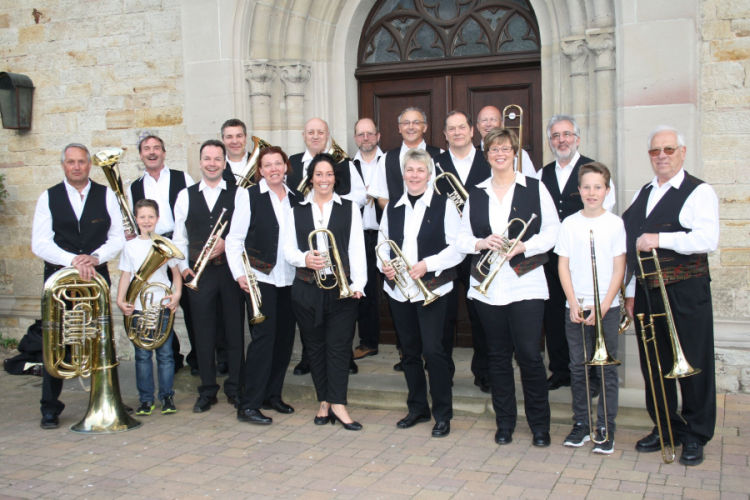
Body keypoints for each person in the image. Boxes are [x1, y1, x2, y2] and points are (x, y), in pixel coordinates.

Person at [456, 128, 559, 447]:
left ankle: (540, 426)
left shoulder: (535, 187)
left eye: (505, 148)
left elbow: (553, 230)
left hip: (525, 283)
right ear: (486, 155)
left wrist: (525, 245)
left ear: (515, 152)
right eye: (493, 149)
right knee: (498, 357)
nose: (499, 153)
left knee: (529, 355)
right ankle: (505, 423)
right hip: (488, 287)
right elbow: (460, 238)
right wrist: (480, 242)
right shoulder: (477, 192)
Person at [623, 126, 719, 467]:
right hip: (648, 292)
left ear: (682, 152)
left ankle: (696, 434)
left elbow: (708, 239)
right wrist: (630, 292)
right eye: (655, 151)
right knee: (655, 364)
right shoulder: (644, 191)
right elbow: (633, 246)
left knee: (692, 364)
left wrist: (661, 239)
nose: (661, 156)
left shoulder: (699, 191)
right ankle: (666, 427)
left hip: (685, 291)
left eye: (668, 149)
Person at [31, 143, 125, 429]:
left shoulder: (106, 195)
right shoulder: (48, 197)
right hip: (60, 281)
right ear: (63, 165)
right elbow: (40, 243)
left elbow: (118, 237)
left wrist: (95, 257)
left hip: (95, 276)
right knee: (57, 339)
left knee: (100, 336)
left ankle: (107, 399)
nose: (76, 166)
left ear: (89, 165)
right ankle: (50, 407)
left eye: (81, 162)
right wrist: (73, 261)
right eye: (71, 162)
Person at [378, 148, 463, 438]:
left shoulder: (444, 204)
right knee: (409, 352)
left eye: (420, 170)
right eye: (410, 170)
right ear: (403, 174)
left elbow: (457, 248)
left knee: (434, 351)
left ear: (429, 174)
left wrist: (429, 264)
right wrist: (385, 266)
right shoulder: (393, 206)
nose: (414, 175)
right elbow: (382, 244)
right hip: (400, 291)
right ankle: (417, 408)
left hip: (433, 288)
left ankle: (443, 413)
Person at [283, 153, 367, 430]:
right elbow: (288, 250)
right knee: (315, 348)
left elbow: (357, 248)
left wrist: (358, 285)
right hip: (307, 289)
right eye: (318, 174)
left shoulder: (349, 208)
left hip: (341, 289)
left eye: (329, 174)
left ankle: (339, 404)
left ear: (335, 178)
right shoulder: (296, 211)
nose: (324, 179)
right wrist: (304, 259)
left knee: (339, 348)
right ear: (310, 178)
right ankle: (324, 402)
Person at [538, 115, 615, 391]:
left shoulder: (595, 171)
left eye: (567, 134)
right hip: (552, 258)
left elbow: (606, 213)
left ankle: (592, 375)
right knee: (554, 315)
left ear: (577, 139)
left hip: (584, 258)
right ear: (550, 141)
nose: (562, 140)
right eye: (556, 136)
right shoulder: (541, 174)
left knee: (587, 314)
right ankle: (561, 370)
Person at [286, 117, 367, 375]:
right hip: (307, 240)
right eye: (310, 132)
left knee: (340, 323)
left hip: (337, 238)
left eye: (320, 132)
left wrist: (331, 199)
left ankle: (344, 359)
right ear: (304, 135)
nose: (315, 136)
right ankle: (309, 359)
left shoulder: (343, 163)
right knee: (311, 322)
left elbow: (361, 195)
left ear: (328, 135)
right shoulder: (292, 163)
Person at [226, 146, 300, 425]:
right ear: (260, 170)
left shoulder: (296, 197)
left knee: (284, 341)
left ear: (285, 166)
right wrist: (239, 275)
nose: (273, 169)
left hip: (290, 278)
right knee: (263, 341)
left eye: (277, 163)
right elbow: (234, 239)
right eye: (267, 165)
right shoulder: (249, 195)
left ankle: (272, 395)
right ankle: (248, 404)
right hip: (261, 278)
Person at [555, 162, 626, 454]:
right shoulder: (570, 224)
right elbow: (563, 265)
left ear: (607, 190)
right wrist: (572, 302)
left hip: (606, 308)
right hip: (576, 306)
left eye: (598, 187)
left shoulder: (615, 224)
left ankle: (606, 427)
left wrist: (604, 305)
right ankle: (582, 424)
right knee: (578, 368)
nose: (592, 192)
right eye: (587, 187)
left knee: (606, 370)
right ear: (579, 190)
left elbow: (619, 268)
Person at [173, 139, 245, 413]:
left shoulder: (239, 193)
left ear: (224, 163)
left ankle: (236, 388)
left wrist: (227, 243)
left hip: (229, 271)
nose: (212, 163)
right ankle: (207, 390)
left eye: (217, 159)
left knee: (234, 332)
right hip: (199, 273)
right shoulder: (185, 195)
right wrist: (183, 268)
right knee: (203, 333)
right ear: (200, 162)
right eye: (207, 158)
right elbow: (179, 237)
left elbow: (245, 229)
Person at [129, 134, 196, 374]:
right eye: (147, 148)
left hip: (178, 245)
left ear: (164, 152)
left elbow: (192, 212)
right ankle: (173, 356)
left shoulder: (182, 178)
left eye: (156, 147)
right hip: (152, 252)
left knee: (190, 305)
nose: (152, 152)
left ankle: (198, 358)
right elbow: (133, 220)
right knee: (158, 304)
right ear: (141, 155)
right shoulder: (134, 186)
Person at [436, 110, 492, 393]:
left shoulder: (488, 159)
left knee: (482, 314)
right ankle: (442, 372)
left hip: (480, 248)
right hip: (445, 248)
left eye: (462, 127)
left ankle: (485, 372)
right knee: (442, 314)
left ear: (472, 131)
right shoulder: (436, 164)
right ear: (445, 135)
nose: (457, 132)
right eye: (451, 129)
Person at [116, 199, 183, 416]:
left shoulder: (165, 243)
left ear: (157, 218)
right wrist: (120, 300)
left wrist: (176, 295)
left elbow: (176, 274)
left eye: (151, 217)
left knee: (165, 355)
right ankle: (146, 399)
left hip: (162, 305)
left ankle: (167, 396)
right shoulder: (130, 246)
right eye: (142, 217)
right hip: (138, 306)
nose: (147, 221)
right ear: (136, 219)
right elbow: (125, 275)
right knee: (142, 356)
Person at [351, 118, 384, 361]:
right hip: (359, 236)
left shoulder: (390, 161)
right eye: (361, 134)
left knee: (397, 287)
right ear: (355, 138)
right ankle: (368, 341)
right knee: (364, 290)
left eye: (370, 133)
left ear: (378, 136)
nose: (365, 138)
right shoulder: (346, 165)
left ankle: (405, 346)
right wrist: (364, 194)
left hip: (386, 234)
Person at [368, 106, 442, 211]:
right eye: (406, 123)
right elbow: (382, 198)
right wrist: (402, 216)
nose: (411, 127)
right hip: (398, 220)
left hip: (433, 219)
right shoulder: (386, 159)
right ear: (399, 128)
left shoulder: (440, 155)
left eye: (416, 122)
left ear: (425, 127)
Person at [476, 105, 536, 177]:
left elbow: (531, 180)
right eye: (484, 120)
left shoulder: (520, 154)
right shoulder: (473, 154)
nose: (488, 124)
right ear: (478, 126)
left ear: (502, 124)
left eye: (493, 120)